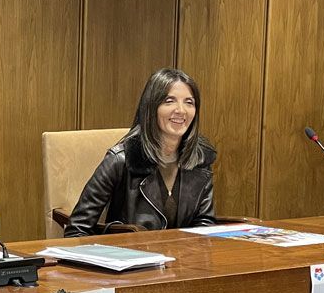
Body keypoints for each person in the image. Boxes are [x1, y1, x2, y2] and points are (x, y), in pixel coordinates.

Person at [66, 68, 217, 236]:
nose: (181, 110)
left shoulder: (200, 159)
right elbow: (77, 230)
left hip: (183, 259)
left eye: (189, 102)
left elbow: (205, 224)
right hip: (129, 257)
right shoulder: (121, 159)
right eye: (169, 101)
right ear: (151, 107)